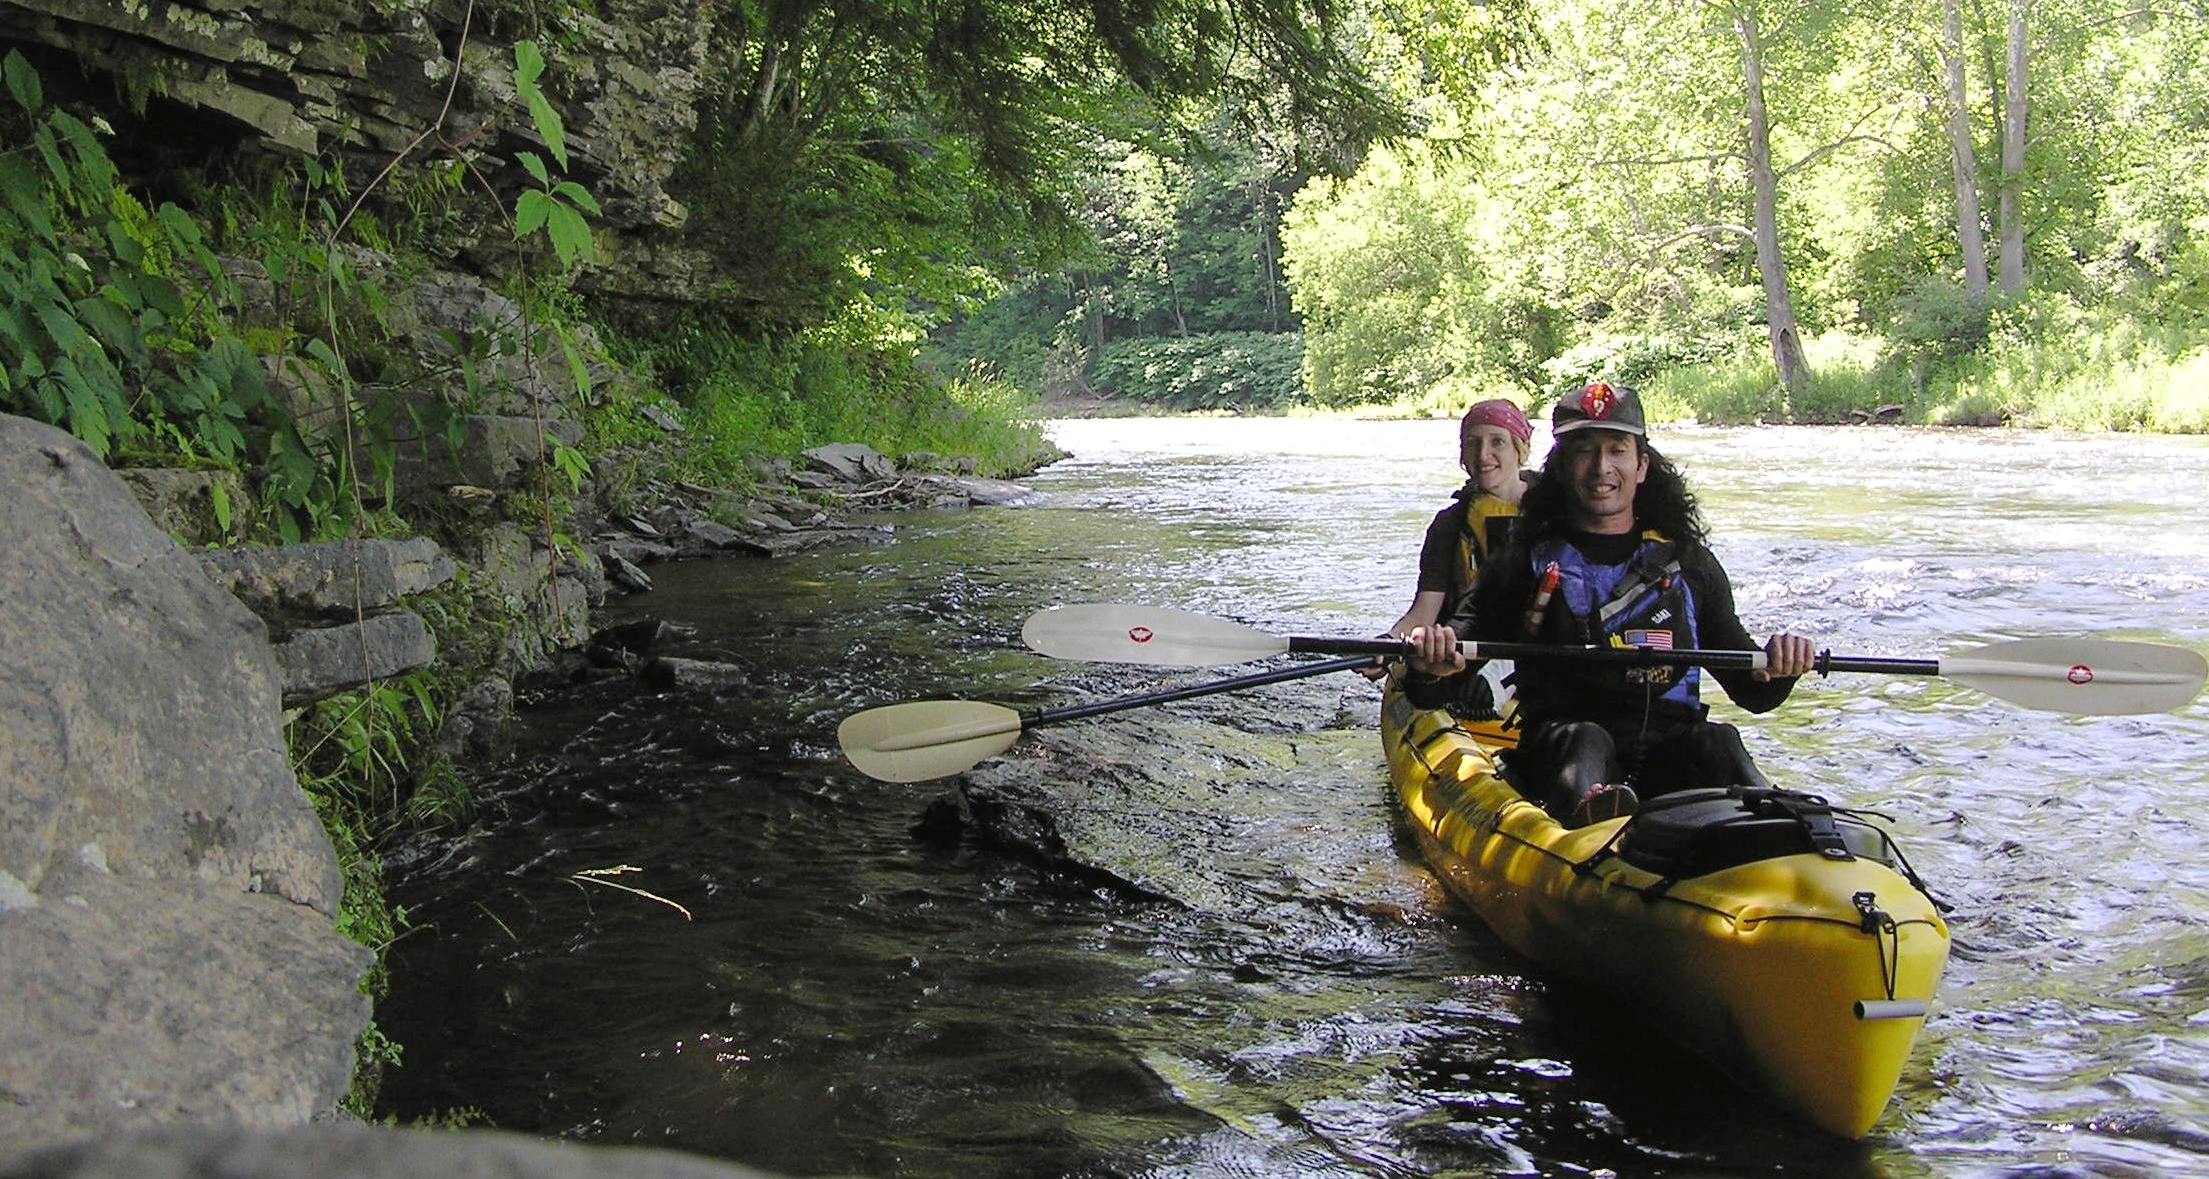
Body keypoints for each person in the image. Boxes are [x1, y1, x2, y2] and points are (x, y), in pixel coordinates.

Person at [1405, 381, 1815, 828]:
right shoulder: (1523, 562)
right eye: (1585, 451)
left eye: (1617, 450)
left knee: (1719, 742)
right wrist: (1432, 662)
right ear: (1561, 467)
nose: (1602, 468)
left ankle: (1777, 830)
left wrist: (1782, 666)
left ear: (1641, 466)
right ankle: (1595, 835)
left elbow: (1753, 692)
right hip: (1564, 755)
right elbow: (1432, 686)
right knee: (1587, 740)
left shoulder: (1688, 563)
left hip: (1669, 755)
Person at [1386, 398, 1534, 639]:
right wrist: (1389, 642)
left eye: (1497, 442)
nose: (1483, 455)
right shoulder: (1448, 525)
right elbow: (1423, 614)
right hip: (1462, 649)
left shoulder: (1556, 511)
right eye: (1473, 443)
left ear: (1520, 449)